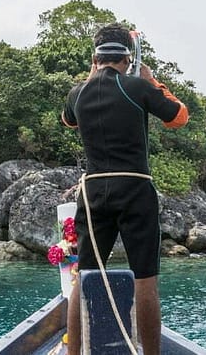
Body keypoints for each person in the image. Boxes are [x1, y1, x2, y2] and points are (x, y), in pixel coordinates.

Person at [61, 24, 189, 355]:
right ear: (127, 58)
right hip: (134, 188)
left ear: (95, 58)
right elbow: (179, 117)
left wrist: (91, 77)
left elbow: (69, 120)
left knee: (84, 277)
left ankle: (73, 353)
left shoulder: (79, 93)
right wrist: (150, 81)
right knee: (145, 280)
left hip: (93, 193)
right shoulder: (137, 87)